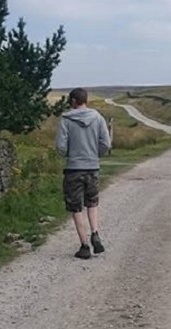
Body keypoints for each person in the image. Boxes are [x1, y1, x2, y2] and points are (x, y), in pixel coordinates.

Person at [55, 88, 112, 259]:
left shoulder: (66, 119)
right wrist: (96, 154)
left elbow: (60, 146)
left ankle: (84, 245)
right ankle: (95, 232)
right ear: (85, 100)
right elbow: (106, 144)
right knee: (92, 203)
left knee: (76, 207)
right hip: (92, 167)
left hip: (74, 168)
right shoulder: (98, 118)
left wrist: (69, 153)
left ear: (73, 101)